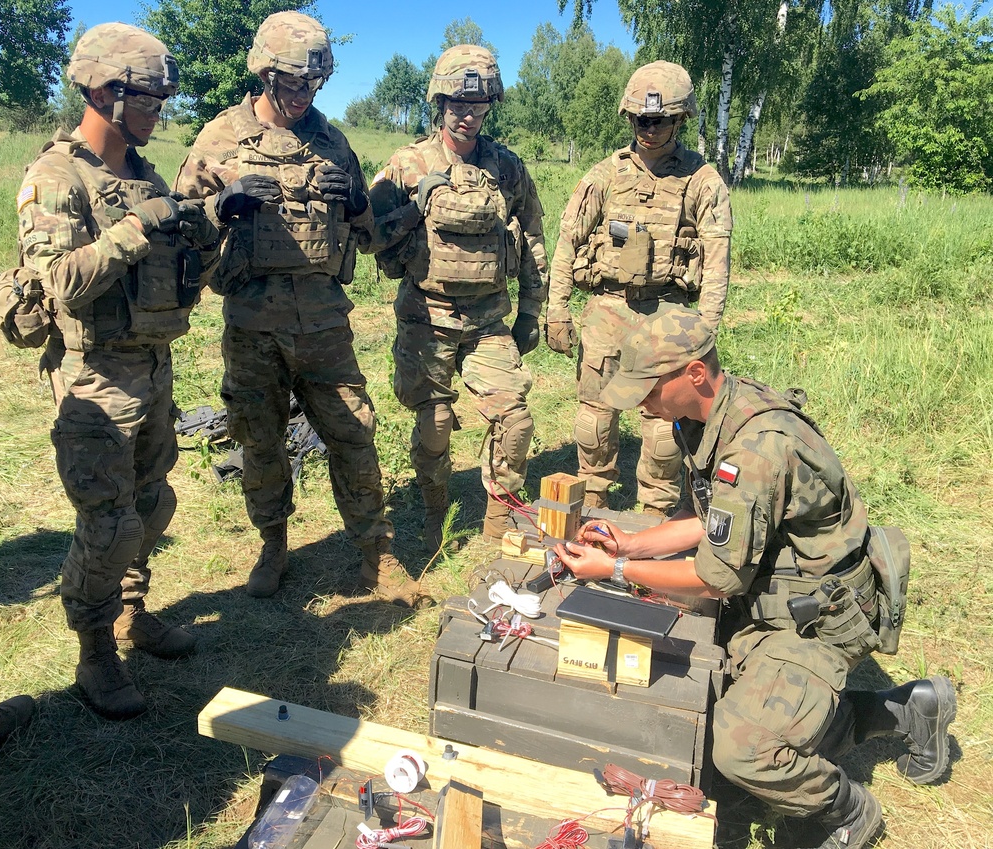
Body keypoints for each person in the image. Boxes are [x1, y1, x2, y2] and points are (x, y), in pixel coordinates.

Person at [552, 308, 956, 849]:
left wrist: (616, 570)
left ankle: (846, 812)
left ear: (694, 374)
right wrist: (631, 543)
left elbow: (717, 576)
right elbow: (712, 520)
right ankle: (908, 708)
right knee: (703, 704)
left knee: (737, 746)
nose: (642, 403)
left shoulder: (756, 446)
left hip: (818, 619)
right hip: (771, 592)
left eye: (649, 388)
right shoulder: (711, 416)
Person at [173, 11, 418, 605]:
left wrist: (357, 201)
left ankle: (376, 553)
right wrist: (220, 208)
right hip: (252, 324)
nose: (302, 95)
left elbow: (369, 235)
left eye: (313, 84)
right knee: (259, 438)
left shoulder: (334, 141)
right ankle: (273, 543)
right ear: (263, 73)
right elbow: (180, 235)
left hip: (324, 323)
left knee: (353, 432)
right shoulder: (219, 139)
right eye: (290, 83)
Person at [16, 23, 220, 719]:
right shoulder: (55, 176)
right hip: (92, 376)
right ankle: (95, 652)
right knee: (108, 525)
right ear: (106, 92)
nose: (161, 107)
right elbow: (64, 282)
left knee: (152, 504)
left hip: (152, 366)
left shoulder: (143, 174)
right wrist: (139, 228)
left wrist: (206, 234)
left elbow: (176, 282)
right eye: (151, 96)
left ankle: (132, 612)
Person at [367, 45, 548, 551]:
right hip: (428, 318)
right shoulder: (407, 163)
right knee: (435, 422)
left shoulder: (506, 167)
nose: (468, 117)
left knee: (514, 419)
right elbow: (370, 235)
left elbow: (531, 235)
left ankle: (500, 516)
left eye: (479, 106)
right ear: (439, 103)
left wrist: (533, 308)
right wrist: (413, 208)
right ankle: (432, 510)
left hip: (490, 320)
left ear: (491, 104)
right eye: (457, 106)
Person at [546, 62, 732, 516]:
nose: (649, 129)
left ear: (680, 119)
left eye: (661, 120)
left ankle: (655, 514)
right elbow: (567, 240)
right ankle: (592, 503)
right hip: (607, 310)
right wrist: (557, 310)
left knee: (662, 426)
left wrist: (703, 331)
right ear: (629, 118)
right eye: (641, 120)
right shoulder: (604, 175)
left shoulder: (702, 180)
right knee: (595, 417)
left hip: (668, 314)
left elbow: (717, 259)